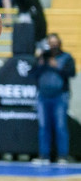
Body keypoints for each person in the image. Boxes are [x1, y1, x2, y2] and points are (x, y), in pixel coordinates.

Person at [31, 33, 76, 164]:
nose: (53, 46)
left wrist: (57, 66)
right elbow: (32, 74)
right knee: (44, 126)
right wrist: (39, 62)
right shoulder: (42, 58)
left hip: (60, 97)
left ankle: (62, 156)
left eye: (55, 43)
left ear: (59, 43)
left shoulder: (66, 57)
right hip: (43, 96)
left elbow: (71, 73)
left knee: (61, 126)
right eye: (51, 43)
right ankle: (44, 156)